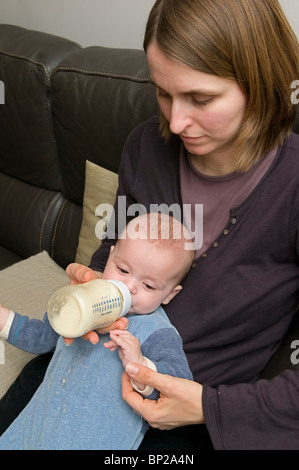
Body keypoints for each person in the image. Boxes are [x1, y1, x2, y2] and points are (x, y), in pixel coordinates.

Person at [1, 0, 299, 451]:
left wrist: (206, 407)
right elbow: (111, 250)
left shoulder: (291, 188)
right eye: (162, 92)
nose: (175, 122)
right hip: (82, 360)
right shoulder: (146, 147)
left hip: (180, 412)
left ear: (260, 82)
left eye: (200, 99)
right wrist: (95, 279)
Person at [0, 213, 194, 450]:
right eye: (122, 269)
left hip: (97, 437)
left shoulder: (158, 332)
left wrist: (140, 364)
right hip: (44, 424)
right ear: (110, 257)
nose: (129, 287)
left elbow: (177, 385)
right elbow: (41, 337)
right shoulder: (84, 299)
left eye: (149, 285)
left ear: (170, 294)